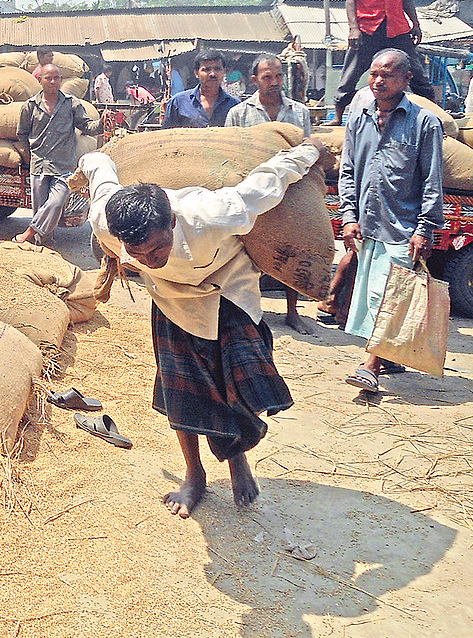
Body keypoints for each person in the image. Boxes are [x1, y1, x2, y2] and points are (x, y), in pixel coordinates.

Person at [79, 134, 326, 517]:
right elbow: (101, 173)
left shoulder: (212, 214)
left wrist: (309, 152)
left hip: (228, 289)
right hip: (173, 303)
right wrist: (91, 157)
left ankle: (237, 459)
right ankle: (194, 475)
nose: (149, 258)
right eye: (138, 254)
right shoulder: (106, 219)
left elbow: (266, 183)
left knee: (238, 389)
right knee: (183, 393)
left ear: (173, 223)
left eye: (157, 249)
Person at [339, 49, 444, 393]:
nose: (378, 81)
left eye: (387, 75)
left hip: (403, 227)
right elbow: (349, 170)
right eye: (373, 74)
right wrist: (349, 215)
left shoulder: (424, 122)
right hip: (369, 224)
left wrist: (425, 228)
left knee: (390, 298)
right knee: (372, 296)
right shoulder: (359, 116)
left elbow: (431, 180)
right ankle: (390, 356)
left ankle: (370, 366)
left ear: (406, 80)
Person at [225, 53, 317, 334]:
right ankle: (253, 311)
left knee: (291, 248)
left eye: (278, 76)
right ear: (255, 80)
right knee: (250, 250)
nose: (275, 82)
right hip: (253, 191)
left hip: (291, 189)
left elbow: (308, 149)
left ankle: (292, 312)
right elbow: (231, 154)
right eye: (268, 77)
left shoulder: (299, 111)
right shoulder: (240, 113)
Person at [14, 64, 94, 246]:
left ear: (61, 80)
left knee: (57, 203)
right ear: (40, 80)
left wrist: (102, 123)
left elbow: (87, 126)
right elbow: (22, 134)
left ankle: (29, 232)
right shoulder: (30, 106)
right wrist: (29, 155)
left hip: (64, 167)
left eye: (56, 78)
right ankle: (42, 245)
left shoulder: (71, 104)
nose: (53, 81)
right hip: (39, 165)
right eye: (48, 78)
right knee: (40, 210)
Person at [163, 50, 240, 128]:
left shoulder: (234, 105)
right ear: (196, 73)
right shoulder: (178, 102)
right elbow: (166, 135)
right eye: (206, 69)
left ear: (224, 72)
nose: (212, 74)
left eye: (217, 69)